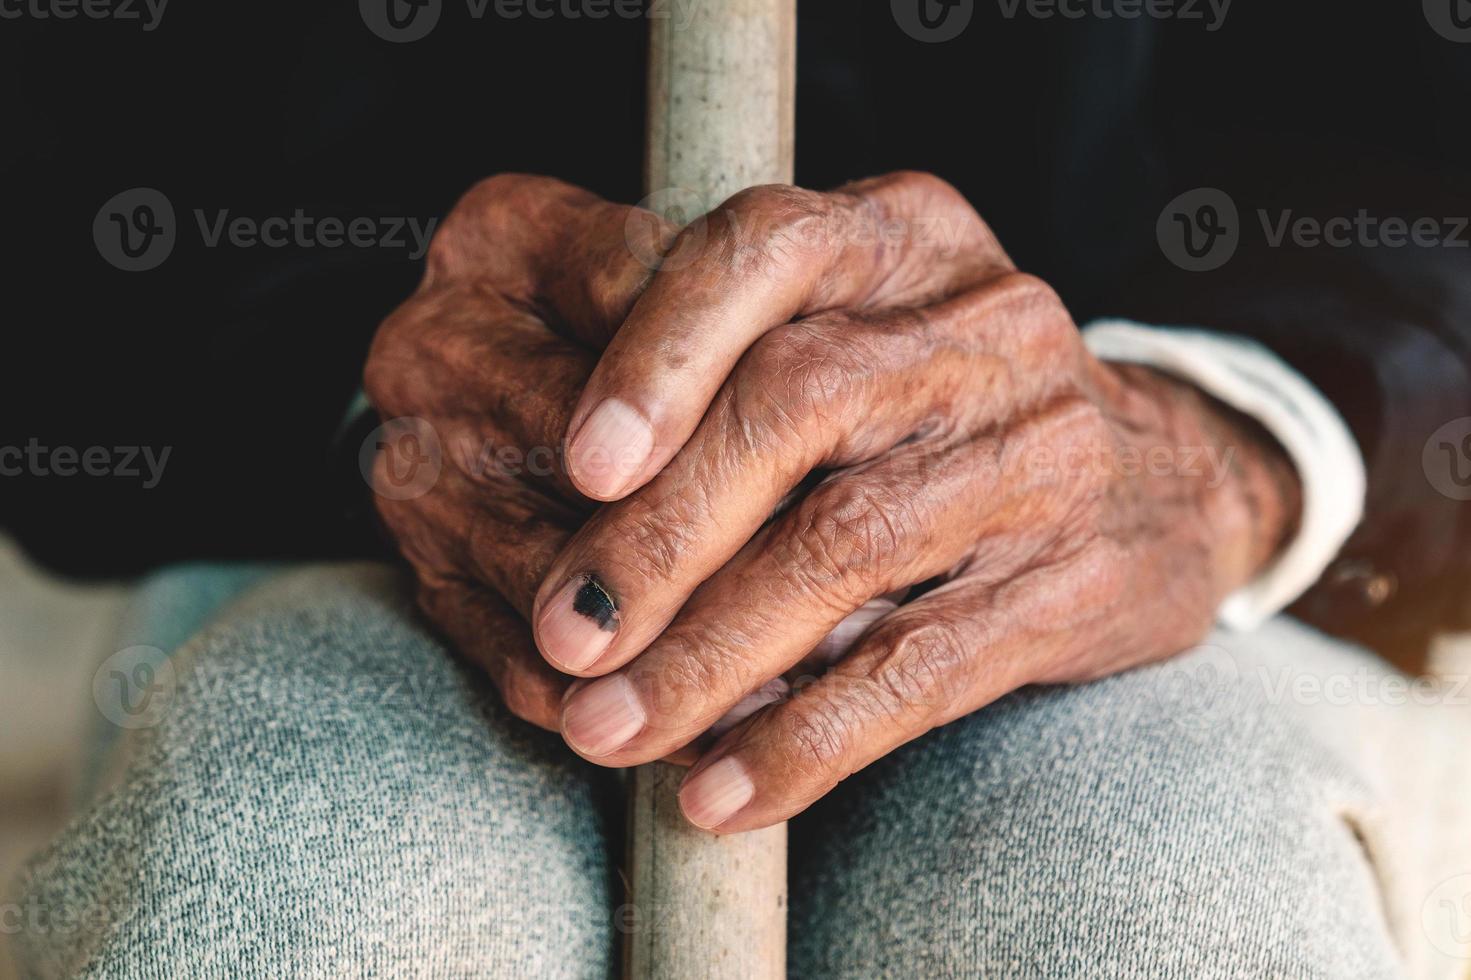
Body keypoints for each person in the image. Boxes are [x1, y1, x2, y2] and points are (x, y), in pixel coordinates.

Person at [8, 5, 1471, 978]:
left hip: (1191, 520)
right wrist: (391, 384)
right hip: (330, 504)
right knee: (299, 865)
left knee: (1130, 893)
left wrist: (1215, 449)